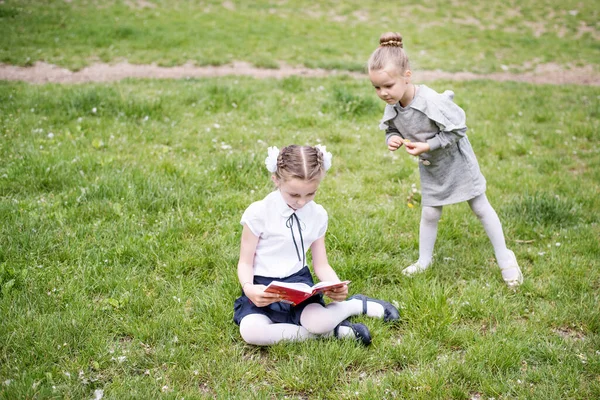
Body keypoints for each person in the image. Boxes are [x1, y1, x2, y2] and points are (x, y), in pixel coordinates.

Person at [367, 32, 523, 287]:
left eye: (388, 86)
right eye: (377, 87)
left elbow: (458, 129)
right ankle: (424, 261)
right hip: (432, 166)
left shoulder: (430, 101)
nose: (383, 93)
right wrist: (392, 139)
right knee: (430, 213)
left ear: (407, 76)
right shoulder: (393, 104)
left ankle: (505, 257)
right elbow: (391, 128)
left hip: (457, 161)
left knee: (480, 207)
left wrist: (428, 144)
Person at [234, 144, 400, 346]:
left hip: (298, 284)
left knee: (319, 322)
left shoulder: (317, 214)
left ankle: (355, 305)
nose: (302, 202)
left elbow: (321, 265)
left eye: (310, 194)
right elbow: (245, 263)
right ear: (276, 180)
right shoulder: (258, 213)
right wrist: (250, 289)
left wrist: (336, 286)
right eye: (294, 195)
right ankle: (336, 333)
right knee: (251, 332)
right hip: (263, 287)